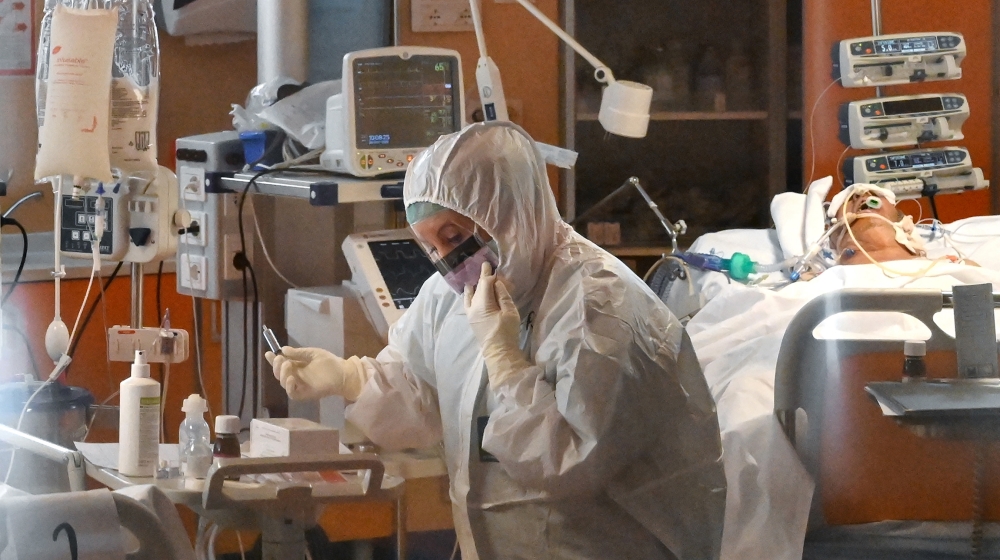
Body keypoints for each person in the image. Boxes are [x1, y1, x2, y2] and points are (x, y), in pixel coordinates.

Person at [267, 122, 725, 560]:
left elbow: (567, 462)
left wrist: (504, 358)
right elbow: (420, 388)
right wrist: (348, 377)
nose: (447, 262)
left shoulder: (601, 312)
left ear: (509, 213)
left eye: (454, 235)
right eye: (429, 247)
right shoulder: (452, 297)